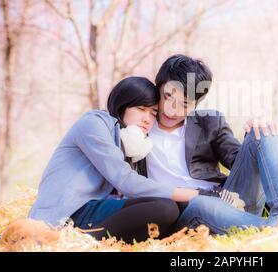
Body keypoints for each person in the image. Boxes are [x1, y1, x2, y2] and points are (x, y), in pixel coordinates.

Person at [27, 76, 229, 243]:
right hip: (68, 213)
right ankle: (81, 242)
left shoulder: (132, 143)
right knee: (165, 208)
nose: (148, 119)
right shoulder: (94, 124)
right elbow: (126, 180)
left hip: (96, 210)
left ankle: (229, 219)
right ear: (123, 105)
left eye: (153, 113)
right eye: (141, 109)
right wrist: (194, 194)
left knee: (170, 211)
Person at [141, 54, 278, 235]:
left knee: (263, 131)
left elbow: (240, 163)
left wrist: (254, 134)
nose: (172, 110)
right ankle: (276, 228)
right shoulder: (140, 124)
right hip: (187, 213)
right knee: (201, 203)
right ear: (158, 88)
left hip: (232, 200)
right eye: (167, 97)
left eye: (184, 104)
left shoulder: (210, 122)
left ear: (196, 104)